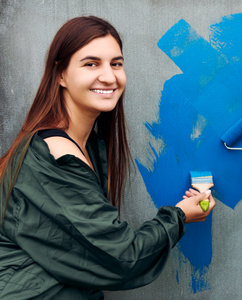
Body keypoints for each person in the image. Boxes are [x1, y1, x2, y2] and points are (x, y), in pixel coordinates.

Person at [0, 16, 215, 299]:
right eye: (91, 64)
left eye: (116, 63)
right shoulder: (55, 155)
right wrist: (180, 216)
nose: (109, 76)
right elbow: (123, 257)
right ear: (61, 74)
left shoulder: (86, 146)